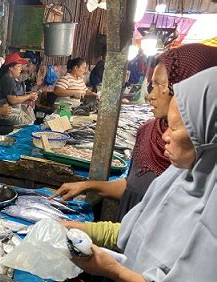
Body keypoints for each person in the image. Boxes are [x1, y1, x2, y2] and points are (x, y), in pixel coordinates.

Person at [68, 66, 217, 282]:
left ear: (209, 135)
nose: (164, 137)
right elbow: (133, 230)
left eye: (175, 128)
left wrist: (113, 270)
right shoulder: (177, 178)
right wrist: (69, 225)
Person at [51, 43, 217, 221]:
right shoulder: (148, 132)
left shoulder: (203, 161)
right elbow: (133, 186)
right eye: (152, 85)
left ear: (190, 87)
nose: (150, 95)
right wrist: (87, 185)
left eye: (160, 85)